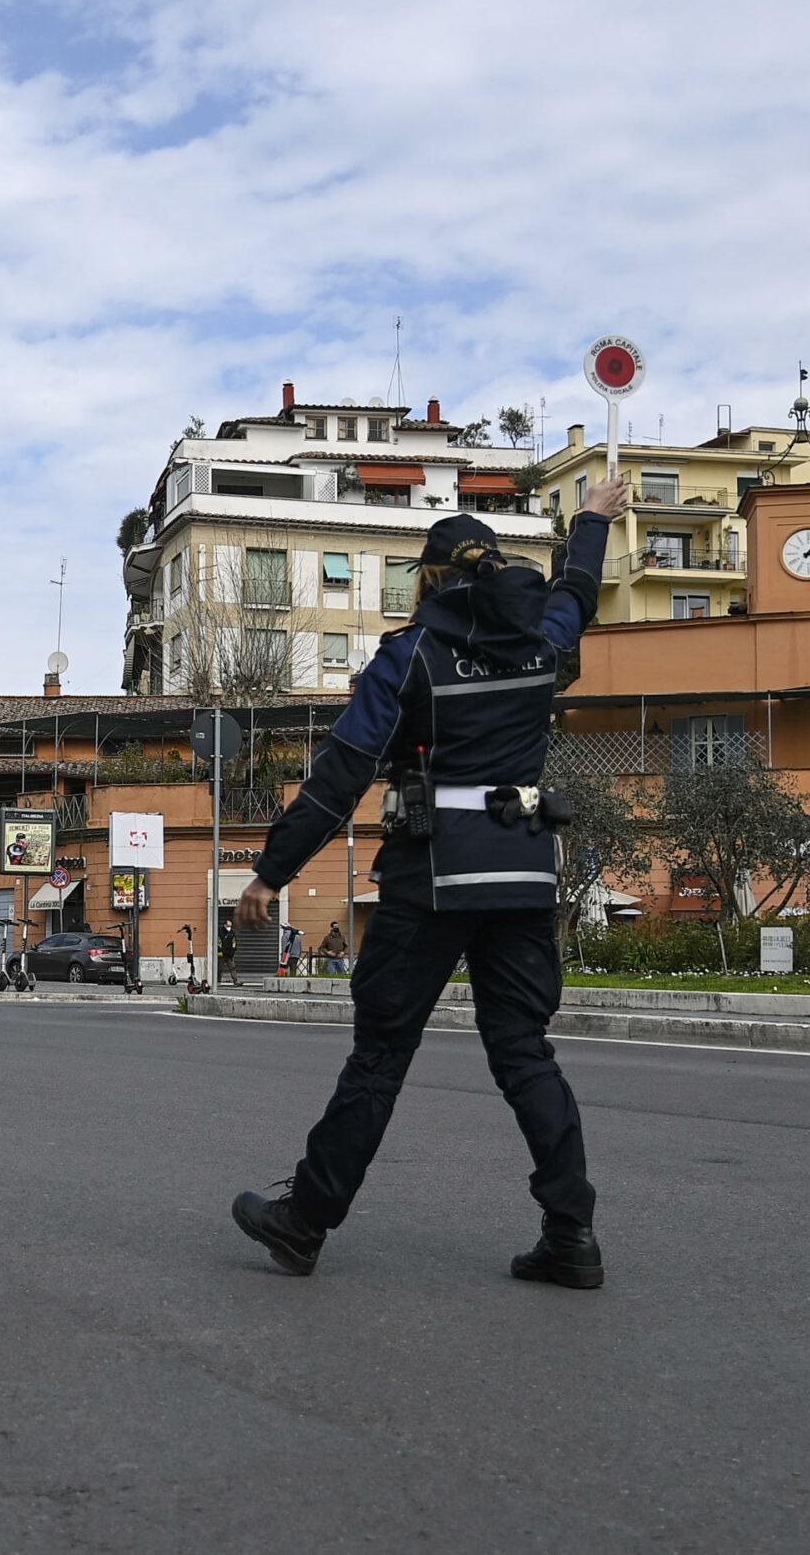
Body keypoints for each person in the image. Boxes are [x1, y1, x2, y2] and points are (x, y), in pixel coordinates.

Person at [230, 476, 628, 1289]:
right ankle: (570, 1231)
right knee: (524, 1051)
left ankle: (304, 1221)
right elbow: (578, 593)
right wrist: (591, 519)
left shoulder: (409, 655)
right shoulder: (542, 646)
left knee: (380, 1055)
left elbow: (339, 775)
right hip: (522, 868)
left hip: (432, 874)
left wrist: (273, 871)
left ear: (430, 579)